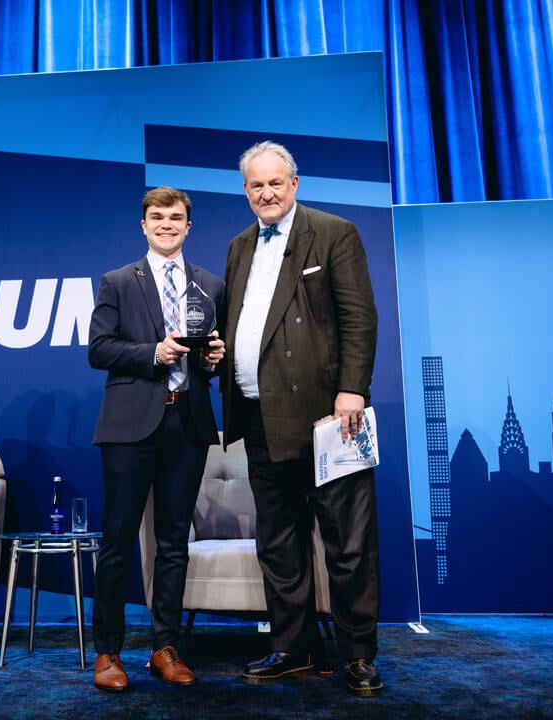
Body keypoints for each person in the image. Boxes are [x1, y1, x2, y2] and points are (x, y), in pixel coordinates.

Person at [221, 141, 383, 697]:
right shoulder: (239, 245)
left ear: (294, 184)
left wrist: (351, 390)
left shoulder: (334, 232)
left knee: (348, 543)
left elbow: (359, 318)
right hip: (258, 418)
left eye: (275, 183)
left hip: (327, 421)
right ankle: (293, 649)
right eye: (255, 185)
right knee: (280, 545)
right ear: (246, 191)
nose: (265, 193)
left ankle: (358, 656)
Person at [88, 186, 226, 692]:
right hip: (129, 427)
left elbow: (219, 353)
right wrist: (154, 353)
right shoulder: (119, 281)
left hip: (186, 424)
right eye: (157, 217)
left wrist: (216, 359)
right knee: (118, 542)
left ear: (188, 227)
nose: (166, 224)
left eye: (176, 217)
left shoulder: (211, 283)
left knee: (173, 545)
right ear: (143, 225)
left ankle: (165, 647)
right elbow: (99, 350)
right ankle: (107, 652)